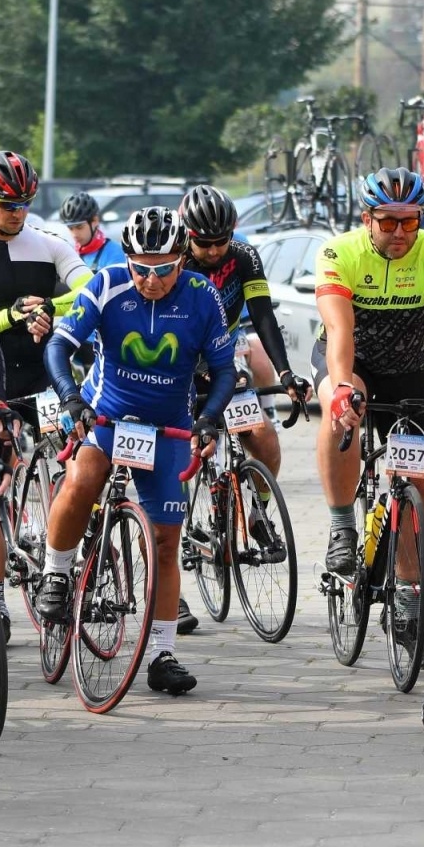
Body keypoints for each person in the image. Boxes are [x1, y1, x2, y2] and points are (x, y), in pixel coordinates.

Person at [34, 207, 237, 696]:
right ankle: (56, 573)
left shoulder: (201, 296)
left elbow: (225, 370)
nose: (150, 280)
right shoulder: (107, 284)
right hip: (108, 416)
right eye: (140, 268)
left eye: (163, 269)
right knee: (82, 480)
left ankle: (162, 653)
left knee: (167, 544)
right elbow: (59, 347)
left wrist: (209, 417)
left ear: (181, 260)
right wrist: (70, 397)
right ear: (127, 260)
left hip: (168, 426)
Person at [314, 168, 424, 668]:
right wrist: (338, 388)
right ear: (367, 218)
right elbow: (339, 330)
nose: (400, 233)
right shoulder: (340, 252)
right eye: (388, 222)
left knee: (416, 487)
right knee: (343, 411)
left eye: (410, 222)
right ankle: (341, 526)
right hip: (349, 360)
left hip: (405, 370)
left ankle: (406, 600)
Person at [175, 183, 310, 634]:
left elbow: (263, 314)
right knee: (177, 461)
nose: (214, 251)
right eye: (204, 242)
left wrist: (286, 372)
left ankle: (256, 511)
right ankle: (168, 581)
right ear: (187, 235)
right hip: (177, 357)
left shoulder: (245, 256)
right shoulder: (173, 256)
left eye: (221, 241)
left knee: (262, 437)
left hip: (223, 355)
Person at [0, 151, 90, 403]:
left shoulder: (51, 244)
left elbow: (93, 292)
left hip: (41, 377)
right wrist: (12, 315)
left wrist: (49, 307)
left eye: (25, 203)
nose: (17, 214)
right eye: (8, 205)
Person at [60, 192, 124, 270]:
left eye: (79, 227)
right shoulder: (71, 253)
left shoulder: (115, 252)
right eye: (70, 228)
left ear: (95, 220)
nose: (74, 234)